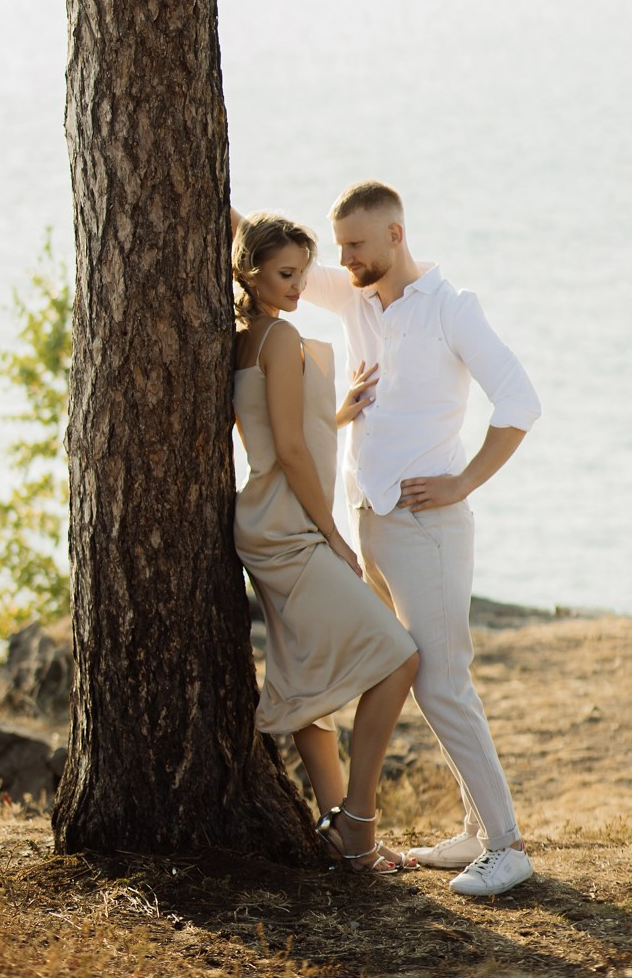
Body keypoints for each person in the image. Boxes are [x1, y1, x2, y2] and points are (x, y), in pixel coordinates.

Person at [231, 183, 541, 897]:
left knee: (437, 678)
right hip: (370, 522)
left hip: (428, 526)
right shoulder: (356, 299)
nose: (342, 262)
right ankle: (472, 828)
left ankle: (507, 845)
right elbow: (267, 251)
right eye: (338, 249)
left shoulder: (451, 309)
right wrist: (217, 191)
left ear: (396, 236)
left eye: (355, 248)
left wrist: (463, 481)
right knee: (423, 674)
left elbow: (520, 400)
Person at [232, 212, 421, 874]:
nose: (296, 286)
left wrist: (337, 411)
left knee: (306, 684)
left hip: (269, 521)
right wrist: (334, 534)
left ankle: (340, 832)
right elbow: (285, 447)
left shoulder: (247, 338)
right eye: (285, 275)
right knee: (399, 657)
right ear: (249, 272)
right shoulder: (279, 337)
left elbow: (276, 423)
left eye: (303, 274)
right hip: (289, 528)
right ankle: (359, 828)